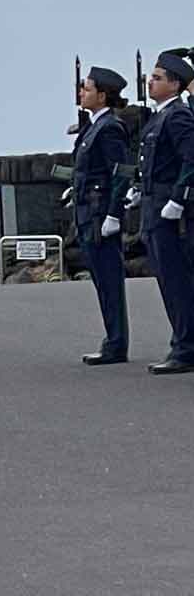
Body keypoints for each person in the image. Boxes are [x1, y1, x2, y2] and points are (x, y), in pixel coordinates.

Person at [133, 51, 194, 375]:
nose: (150, 81)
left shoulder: (178, 116)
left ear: (175, 84)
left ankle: (185, 348)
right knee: (168, 282)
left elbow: (191, 159)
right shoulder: (158, 117)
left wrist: (178, 199)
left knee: (177, 281)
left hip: (169, 210)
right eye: (151, 77)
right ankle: (182, 343)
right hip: (152, 206)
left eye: (157, 78)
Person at [73, 67, 132, 366]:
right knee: (101, 280)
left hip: (99, 213)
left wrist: (114, 213)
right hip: (87, 209)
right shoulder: (92, 125)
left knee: (109, 280)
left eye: (86, 88)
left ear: (102, 94)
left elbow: (120, 173)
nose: (81, 92)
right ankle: (113, 339)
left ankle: (116, 344)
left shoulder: (109, 127)